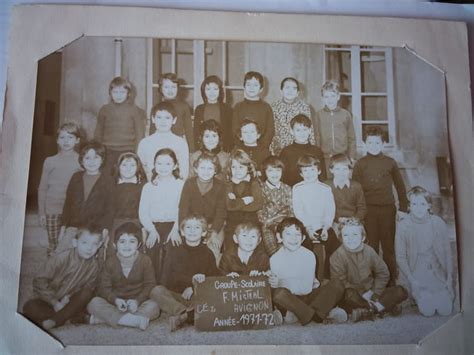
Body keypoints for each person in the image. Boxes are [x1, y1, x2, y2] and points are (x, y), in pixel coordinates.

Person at [352, 125, 408, 285]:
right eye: (370, 143)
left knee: (388, 247)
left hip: (387, 210)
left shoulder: (390, 162)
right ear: (364, 144)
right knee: (372, 247)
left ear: (383, 144)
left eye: (377, 143)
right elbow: (356, 189)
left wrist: (403, 208)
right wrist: (358, 213)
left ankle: (391, 283)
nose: (374, 146)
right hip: (369, 211)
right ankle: (374, 282)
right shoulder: (360, 164)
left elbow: (400, 186)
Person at [22, 226, 104, 330]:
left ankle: (55, 320)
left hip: (68, 303)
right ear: (75, 242)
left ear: (100, 245)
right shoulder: (60, 258)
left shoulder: (94, 266)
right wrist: (54, 302)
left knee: (87, 293)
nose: (89, 248)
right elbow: (39, 281)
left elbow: (87, 288)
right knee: (30, 307)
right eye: (84, 243)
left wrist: (67, 299)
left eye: (95, 244)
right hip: (47, 300)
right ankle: (73, 318)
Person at [269, 217, 346, 325]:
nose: (293, 238)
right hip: (292, 298)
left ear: (303, 238)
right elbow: (280, 289)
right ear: (279, 237)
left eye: (297, 235)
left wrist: (282, 282)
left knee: (337, 284)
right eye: (288, 234)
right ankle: (317, 314)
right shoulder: (274, 259)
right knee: (278, 294)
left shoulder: (309, 256)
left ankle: (301, 314)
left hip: (309, 296)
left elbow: (305, 288)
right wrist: (274, 283)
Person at [330, 218, 408, 322]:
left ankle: (368, 311)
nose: (350, 239)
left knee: (400, 291)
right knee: (349, 295)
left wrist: (374, 292)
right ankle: (381, 307)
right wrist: (362, 295)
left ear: (363, 237)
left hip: (372, 293)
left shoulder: (369, 251)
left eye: (355, 235)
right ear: (341, 238)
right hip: (354, 296)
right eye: (346, 235)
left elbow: (383, 273)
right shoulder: (337, 256)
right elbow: (340, 283)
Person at [150, 215, 218, 332]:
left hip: (197, 297)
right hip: (177, 296)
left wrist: (194, 287)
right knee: (156, 291)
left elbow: (213, 279)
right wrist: (189, 282)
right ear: (182, 231)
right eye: (188, 227)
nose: (192, 230)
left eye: (197, 227)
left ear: (203, 233)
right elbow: (167, 279)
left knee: (213, 299)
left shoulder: (208, 254)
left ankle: (184, 317)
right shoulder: (174, 251)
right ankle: (185, 314)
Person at [87, 223, 160, 330]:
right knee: (94, 303)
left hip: (137, 305)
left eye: (132, 241)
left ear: (139, 244)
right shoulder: (110, 262)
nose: (127, 246)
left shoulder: (145, 261)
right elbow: (103, 288)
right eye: (122, 242)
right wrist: (115, 300)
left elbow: (150, 285)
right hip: (115, 304)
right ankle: (131, 321)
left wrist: (137, 301)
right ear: (115, 245)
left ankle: (107, 319)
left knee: (154, 307)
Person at [395, 186, 454, 317]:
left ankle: (439, 292)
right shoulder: (404, 226)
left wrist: (449, 278)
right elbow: (400, 257)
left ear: (428, 205)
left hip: (436, 272)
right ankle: (419, 296)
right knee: (428, 311)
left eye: (422, 204)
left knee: (445, 310)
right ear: (409, 206)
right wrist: (411, 280)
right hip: (416, 274)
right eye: (414, 204)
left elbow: (447, 253)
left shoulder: (438, 223)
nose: (419, 208)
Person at [58, 141, 113, 253]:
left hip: (94, 229)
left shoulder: (108, 180)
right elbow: (68, 204)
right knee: (61, 255)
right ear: (82, 160)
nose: (91, 162)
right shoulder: (76, 177)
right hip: (74, 227)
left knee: (87, 258)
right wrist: (63, 228)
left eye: (96, 157)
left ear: (102, 159)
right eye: (87, 158)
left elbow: (110, 208)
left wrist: (105, 230)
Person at [139, 148, 185, 283]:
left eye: (168, 164)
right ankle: (152, 288)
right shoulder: (148, 187)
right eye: (159, 163)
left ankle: (167, 290)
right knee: (152, 251)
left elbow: (182, 210)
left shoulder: (181, 185)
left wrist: (176, 229)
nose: (163, 167)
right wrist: (151, 230)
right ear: (154, 165)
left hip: (174, 226)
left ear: (175, 165)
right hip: (154, 226)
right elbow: (143, 212)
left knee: (173, 252)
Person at [38, 122, 82, 256]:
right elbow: (42, 188)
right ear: (57, 140)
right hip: (52, 209)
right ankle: (50, 271)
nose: (66, 141)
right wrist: (41, 212)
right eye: (62, 137)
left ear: (77, 140)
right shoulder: (50, 161)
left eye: (70, 137)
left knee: (69, 245)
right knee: (53, 244)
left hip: (72, 210)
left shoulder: (81, 161)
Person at [292, 155, 337, 280]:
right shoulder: (297, 188)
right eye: (305, 171)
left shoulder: (325, 189)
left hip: (322, 226)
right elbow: (298, 211)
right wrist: (308, 228)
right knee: (305, 248)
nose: (309, 174)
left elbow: (330, 210)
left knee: (334, 246)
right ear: (301, 174)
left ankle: (327, 277)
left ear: (319, 171)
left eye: (312, 170)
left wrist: (326, 228)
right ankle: (310, 278)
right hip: (306, 226)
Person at [179, 152, 227, 264]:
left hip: (214, 225)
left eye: (210, 168)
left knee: (213, 249)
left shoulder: (220, 186)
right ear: (196, 169)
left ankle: (211, 278)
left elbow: (221, 212)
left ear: (215, 171)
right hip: (193, 224)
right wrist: (183, 229)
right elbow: (183, 209)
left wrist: (214, 232)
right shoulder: (189, 184)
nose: (206, 171)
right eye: (202, 168)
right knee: (191, 250)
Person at [94, 77, 146, 171]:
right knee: (107, 177)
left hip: (128, 151)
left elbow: (140, 134)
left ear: (128, 93)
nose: (118, 95)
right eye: (115, 92)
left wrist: (136, 153)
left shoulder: (135, 110)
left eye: (122, 92)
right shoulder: (105, 109)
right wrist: (99, 151)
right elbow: (98, 132)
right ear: (110, 93)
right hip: (107, 151)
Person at [106, 152, 146, 255]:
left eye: (132, 165)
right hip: (116, 224)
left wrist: (144, 229)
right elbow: (109, 210)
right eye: (124, 165)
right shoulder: (112, 186)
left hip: (137, 225)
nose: (128, 169)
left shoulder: (143, 187)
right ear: (118, 167)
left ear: (138, 167)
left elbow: (146, 211)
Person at [137, 102, 189, 181]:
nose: (163, 121)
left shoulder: (180, 143)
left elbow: (184, 171)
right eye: (159, 117)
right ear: (153, 119)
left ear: (174, 120)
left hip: (174, 186)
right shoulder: (145, 143)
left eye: (167, 118)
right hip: (151, 185)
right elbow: (142, 168)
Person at [313, 80, 356, 174]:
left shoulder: (346, 114)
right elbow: (317, 137)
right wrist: (317, 157)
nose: (330, 99)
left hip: (342, 157)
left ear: (338, 96)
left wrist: (352, 157)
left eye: (333, 96)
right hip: (325, 158)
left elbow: (351, 138)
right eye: (326, 96)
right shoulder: (318, 115)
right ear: (322, 98)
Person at [224, 149, 263, 252]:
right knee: (231, 249)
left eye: (241, 167)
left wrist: (236, 202)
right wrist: (244, 201)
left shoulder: (254, 184)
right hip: (232, 223)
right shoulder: (228, 185)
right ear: (229, 168)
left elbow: (258, 204)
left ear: (248, 168)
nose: (237, 171)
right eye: (234, 167)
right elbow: (228, 206)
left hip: (251, 221)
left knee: (255, 249)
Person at [257, 156, 293, 256]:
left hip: (285, 225)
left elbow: (291, 209)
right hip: (267, 226)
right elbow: (259, 211)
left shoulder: (287, 188)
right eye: (270, 171)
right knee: (273, 252)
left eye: (278, 170)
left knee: (287, 249)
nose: (275, 174)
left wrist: (284, 226)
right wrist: (270, 223)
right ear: (265, 172)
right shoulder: (261, 189)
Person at [270, 77, 313, 155]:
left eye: (294, 88)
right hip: (279, 151)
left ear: (297, 93)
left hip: (300, 149)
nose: (290, 91)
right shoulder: (273, 107)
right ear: (281, 91)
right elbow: (270, 130)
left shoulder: (304, 107)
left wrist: (311, 149)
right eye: (287, 88)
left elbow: (310, 130)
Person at [279, 114, 326, 186]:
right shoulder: (286, 152)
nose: (302, 133)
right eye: (298, 130)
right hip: (293, 192)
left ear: (310, 130)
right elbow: (282, 178)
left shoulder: (317, 151)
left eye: (305, 129)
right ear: (291, 131)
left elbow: (322, 176)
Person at [232, 71, 274, 149]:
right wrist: (242, 146)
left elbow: (270, 131)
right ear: (244, 87)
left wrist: (261, 147)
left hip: (261, 149)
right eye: (248, 84)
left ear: (261, 89)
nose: (251, 88)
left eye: (255, 85)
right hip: (241, 149)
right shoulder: (238, 107)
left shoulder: (266, 107)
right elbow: (235, 130)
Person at [325, 154, 367, 231]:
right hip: (334, 221)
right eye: (337, 169)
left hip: (353, 221)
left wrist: (355, 219)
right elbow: (324, 208)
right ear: (331, 170)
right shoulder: (326, 186)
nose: (341, 172)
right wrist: (337, 219)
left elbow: (362, 208)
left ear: (349, 170)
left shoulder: (356, 186)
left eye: (344, 169)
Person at [154, 73, 194, 150]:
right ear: (161, 89)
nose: (170, 90)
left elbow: (189, 131)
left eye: (173, 87)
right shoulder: (157, 107)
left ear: (178, 88)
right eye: (166, 87)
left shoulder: (184, 106)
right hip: (160, 144)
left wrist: (191, 151)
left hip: (177, 145)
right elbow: (152, 130)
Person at [193, 75, 233, 152]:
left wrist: (228, 150)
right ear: (203, 91)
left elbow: (230, 132)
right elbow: (196, 132)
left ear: (220, 91)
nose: (212, 92)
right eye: (208, 89)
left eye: (215, 89)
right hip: (204, 148)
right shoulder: (199, 109)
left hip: (222, 149)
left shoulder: (227, 109)